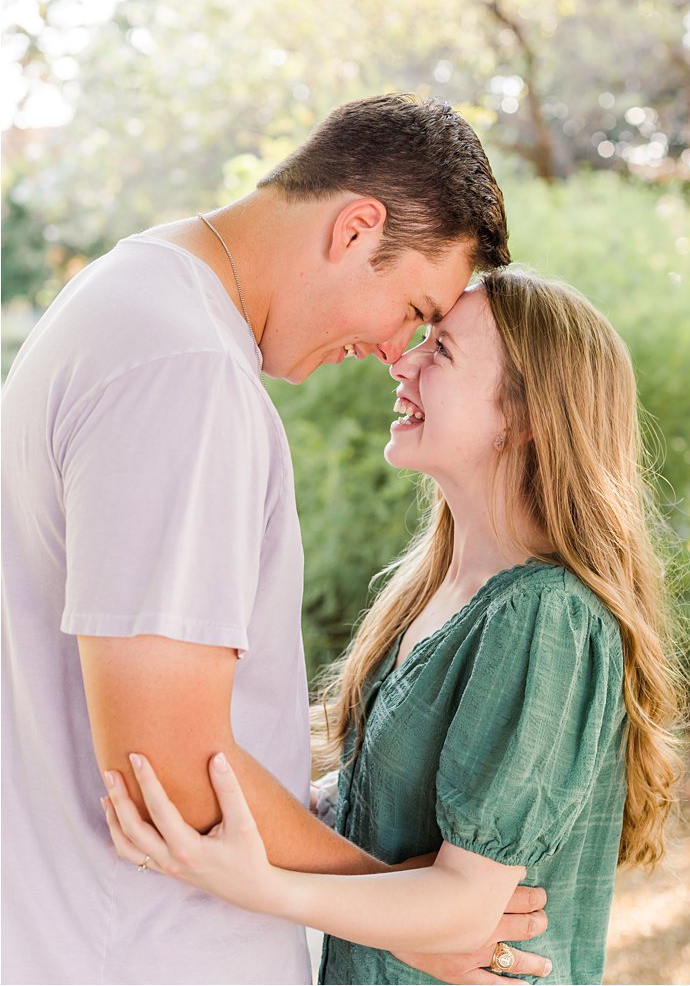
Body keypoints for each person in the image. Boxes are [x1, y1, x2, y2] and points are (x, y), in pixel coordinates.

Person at [0, 95, 549, 985]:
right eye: (411, 306)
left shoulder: (126, 297)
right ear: (356, 228)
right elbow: (166, 766)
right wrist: (402, 914)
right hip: (146, 952)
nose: (392, 348)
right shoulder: (187, 375)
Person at [101, 269, 684, 985]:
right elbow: (381, 806)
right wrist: (210, 798)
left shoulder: (547, 618)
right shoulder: (435, 588)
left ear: (524, 416)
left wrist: (258, 883)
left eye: (440, 351)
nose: (401, 361)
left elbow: (466, 905)